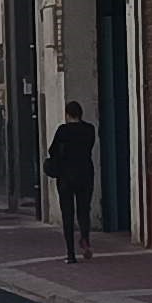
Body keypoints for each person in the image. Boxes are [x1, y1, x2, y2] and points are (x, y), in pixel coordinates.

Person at [43, 101, 99, 262]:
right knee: (84, 210)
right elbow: (90, 146)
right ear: (81, 114)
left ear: (67, 114)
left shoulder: (63, 130)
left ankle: (71, 254)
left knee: (67, 214)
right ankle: (85, 238)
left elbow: (52, 151)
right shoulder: (89, 129)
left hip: (66, 176)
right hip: (85, 174)